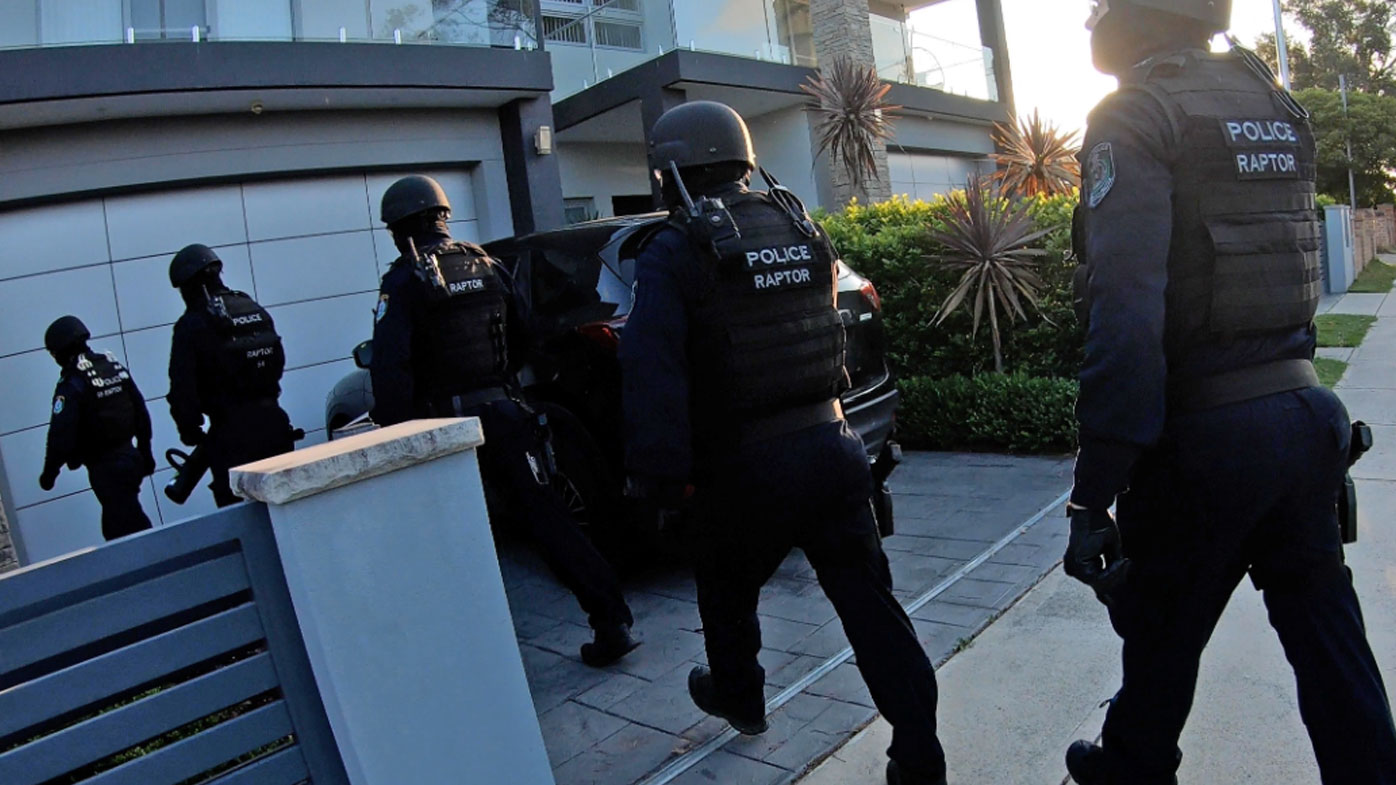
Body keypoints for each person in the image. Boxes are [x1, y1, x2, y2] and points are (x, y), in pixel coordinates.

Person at [1064, 2, 1396, 783]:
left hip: (1207, 441)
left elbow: (1127, 314)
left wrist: (1093, 494)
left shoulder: (1136, 113)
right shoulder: (1274, 105)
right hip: (1305, 415)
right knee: (1333, 656)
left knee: (1159, 646)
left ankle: (1129, 766)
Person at [619, 101, 947, 785]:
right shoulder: (799, 224)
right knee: (873, 610)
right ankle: (920, 751)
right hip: (832, 446)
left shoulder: (675, 248)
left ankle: (741, 698)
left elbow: (652, 373)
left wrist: (660, 483)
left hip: (743, 468)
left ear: (671, 169)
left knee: (725, 591)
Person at [370, 174, 638, 667]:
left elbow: (390, 371)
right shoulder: (485, 264)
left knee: (454, 536)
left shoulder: (406, 280)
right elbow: (524, 337)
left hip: (445, 429)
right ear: (442, 217)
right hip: (506, 412)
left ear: (400, 227)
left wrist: (398, 436)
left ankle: (471, 654)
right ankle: (610, 620)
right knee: (550, 519)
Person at [168, 244, 295, 507]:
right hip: (276, 424)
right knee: (285, 508)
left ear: (189, 285)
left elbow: (183, 389)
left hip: (232, 437)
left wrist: (190, 431)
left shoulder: (192, 323)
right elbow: (277, 358)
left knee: (241, 515)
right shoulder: (250, 306)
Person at [39, 315, 155, 541]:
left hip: (105, 467)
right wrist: (145, 452)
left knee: (123, 530)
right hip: (130, 458)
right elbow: (140, 410)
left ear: (60, 350)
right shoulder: (112, 367)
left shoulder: (73, 382)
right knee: (125, 520)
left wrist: (49, 473)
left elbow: (60, 435)